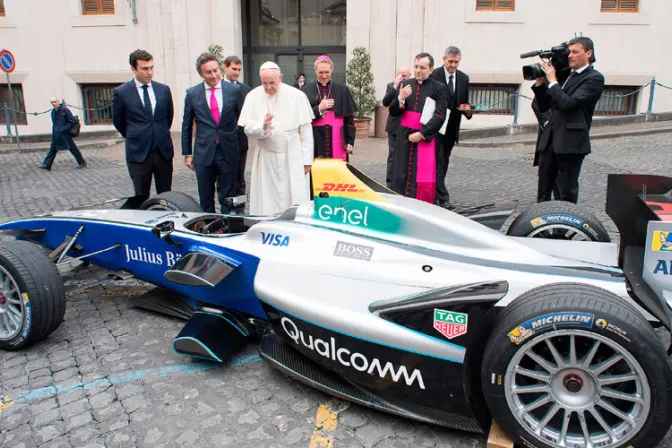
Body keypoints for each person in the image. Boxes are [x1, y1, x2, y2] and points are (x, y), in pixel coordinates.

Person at [532, 36, 605, 204]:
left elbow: (568, 104)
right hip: (550, 140)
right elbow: (544, 106)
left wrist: (552, 81)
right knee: (543, 192)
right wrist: (541, 83)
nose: (570, 56)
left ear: (588, 53)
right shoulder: (565, 76)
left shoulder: (593, 78)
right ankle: (541, 227)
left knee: (566, 192)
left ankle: (564, 227)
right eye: (569, 52)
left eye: (575, 52)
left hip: (571, 143)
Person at [238, 62, 314, 215]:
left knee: (293, 196)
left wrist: (307, 161)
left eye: (272, 83)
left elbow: (306, 133)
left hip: (292, 156)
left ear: (280, 77)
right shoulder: (253, 96)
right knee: (267, 197)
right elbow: (247, 128)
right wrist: (262, 126)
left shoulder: (297, 96)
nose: (268, 87)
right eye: (264, 83)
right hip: (267, 157)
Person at [181, 52, 244, 213]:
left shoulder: (234, 91)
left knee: (228, 196)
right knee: (206, 197)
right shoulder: (192, 94)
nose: (214, 75)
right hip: (203, 152)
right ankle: (208, 227)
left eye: (216, 70)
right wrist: (187, 153)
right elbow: (186, 125)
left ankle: (227, 227)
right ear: (201, 74)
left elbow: (241, 120)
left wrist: (240, 148)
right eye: (208, 72)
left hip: (228, 151)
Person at [112, 49, 175, 200]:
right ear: (133, 69)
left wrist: (159, 133)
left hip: (162, 150)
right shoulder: (121, 92)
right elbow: (119, 121)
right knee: (141, 195)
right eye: (145, 68)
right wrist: (137, 134)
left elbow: (168, 117)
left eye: (151, 68)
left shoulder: (163, 90)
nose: (149, 72)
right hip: (138, 152)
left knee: (166, 195)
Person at [388, 53, 447, 204]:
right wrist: (400, 97)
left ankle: (421, 204)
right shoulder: (406, 84)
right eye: (416, 66)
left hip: (424, 136)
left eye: (422, 67)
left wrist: (422, 134)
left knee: (419, 175)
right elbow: (393, 111)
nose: (418, 70)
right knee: (400, 172)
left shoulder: (439, 88)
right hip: (404, 136)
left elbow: (440, 116)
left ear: (431, 70)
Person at [429, 46, 473, 209]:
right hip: (435, 126)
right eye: (450, 62)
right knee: (437, 161)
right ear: (444, 59)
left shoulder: (463, 78)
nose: (453, 65)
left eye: (456, 62)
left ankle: (435, 194)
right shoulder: (434, 75)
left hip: (452, 128)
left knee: (443, 162)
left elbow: (464, 102)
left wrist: (467, 111)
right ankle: (443, 198)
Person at [301, 55, 357, 161]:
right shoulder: (306, 90)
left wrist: (350, 141)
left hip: (338, 137)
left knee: (338, 172)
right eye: (321, 72)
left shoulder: (342, 89)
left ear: (332, 70)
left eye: (327, 72)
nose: (324, 75)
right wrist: (319, 108)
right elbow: (301, 117)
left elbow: (349, 119)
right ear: (315, 70)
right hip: (315, 137)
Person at [222, 55, 252, 207]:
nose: (236, 72)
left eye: (239, 70)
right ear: (225, 67)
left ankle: (239, 209)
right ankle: (226, 209)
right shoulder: (218, 88)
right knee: (225, 178)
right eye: (233, 69)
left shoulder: (245, 90)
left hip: (240, 141)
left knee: (240, 179)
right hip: (221, 142)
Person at [381, 66, 411, 187]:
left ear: (409, 76)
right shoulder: (391, 86)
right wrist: (395, 87)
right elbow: (386, 102)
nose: (401, 78)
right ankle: (390, 184)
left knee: (407, 157)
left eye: (404, 76)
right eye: (399, 75)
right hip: (394, 127)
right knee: (392, 157)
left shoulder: (413, 87)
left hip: (408, 126)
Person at [40, 98, 87, 171]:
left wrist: (63, 129)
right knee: (53, 149)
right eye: (52, 102)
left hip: (64, 134)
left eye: (54, 102)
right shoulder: (53, 112)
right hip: (56, 135)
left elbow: (71, 121)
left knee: (73, 148)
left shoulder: (65, 110)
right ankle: (46, 164)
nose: (53, 103)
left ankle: (82, 162)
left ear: (58, 102)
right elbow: (55, 123)